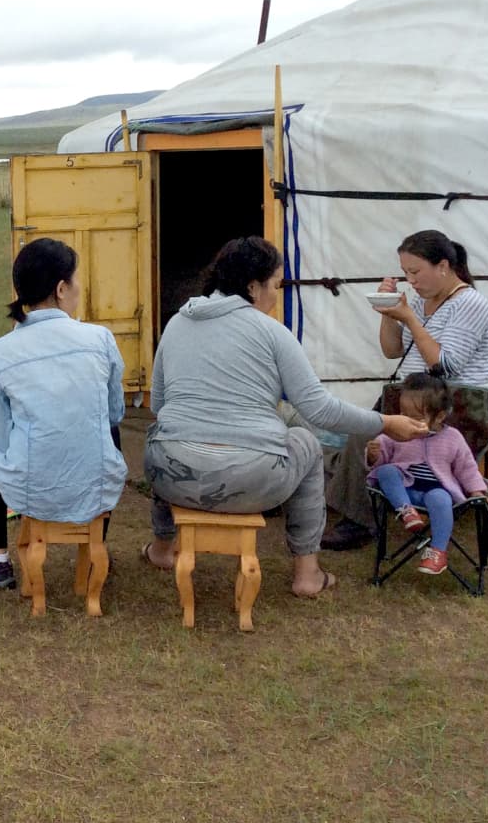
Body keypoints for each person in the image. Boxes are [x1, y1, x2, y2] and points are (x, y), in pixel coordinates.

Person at [140, 236, 429, 598]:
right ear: (252, 287)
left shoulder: (177, 324)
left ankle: (163, 550)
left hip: (173, 478)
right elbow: (319, 410)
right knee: (304, 441)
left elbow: (160, 406)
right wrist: (386, 423)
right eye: (275, 285)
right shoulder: (273, 333)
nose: (276, 296)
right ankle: (307, 574)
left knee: (164, 432)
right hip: (251, 482)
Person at [0, 238, 127, 590]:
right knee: (105, 429)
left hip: (30, 488)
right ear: (62, 288)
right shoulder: (100, 338)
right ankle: (98, 545)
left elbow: (2, 436)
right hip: (97, 485)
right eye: (77, 280)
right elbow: (115, 413)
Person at [321, 229, 488, 550]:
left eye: (415, 272)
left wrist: (410, 318)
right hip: (410, 399)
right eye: (405, 273)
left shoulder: (470, 303)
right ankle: (311, 487)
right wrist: (390, 314)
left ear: (443, 266)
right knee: (341, 440)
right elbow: (392, 351)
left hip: (448, 409)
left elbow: (445, 365)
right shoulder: (421, 301)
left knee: (367, 432)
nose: (411, 280)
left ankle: (359, 522)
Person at [366, 372, 488, 575]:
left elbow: (467, 467)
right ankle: (406, 512)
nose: (406, 421)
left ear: (439, 416)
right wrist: (373, 456)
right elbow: (380, 458)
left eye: (414, 417)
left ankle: (437, 552)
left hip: (436, 489)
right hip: (404, 490)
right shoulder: (397, 431)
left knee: (441, 499)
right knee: (386, 471)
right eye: (402, 414)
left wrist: (478, 491)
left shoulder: (453, 438)